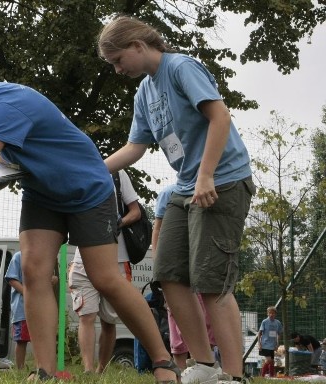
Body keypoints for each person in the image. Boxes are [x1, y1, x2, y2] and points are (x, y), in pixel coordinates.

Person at [0, 42, 178, 383]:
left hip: (87, 190)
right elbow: (2, 162)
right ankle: (47, 371)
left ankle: (164, 362)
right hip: (42, 194)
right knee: (33, 272)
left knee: (104, 278)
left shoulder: (4, 103)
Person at [99, 15, 255, 384]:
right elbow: (135, 147)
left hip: (223, 181)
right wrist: (92, 170)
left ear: (138, 45)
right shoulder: (144, 92)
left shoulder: (181, 67)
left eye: (119, 60)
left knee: (212, 280)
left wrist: (206, 174)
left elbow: (219, 116)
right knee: (168, 273)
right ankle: (202, 363)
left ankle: (232, 375)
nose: (118, 69)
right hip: (186, 188)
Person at [68, 169, 138, 374]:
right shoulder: (77, 173)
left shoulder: (117, 174)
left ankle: (101, 369)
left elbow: (136, 211)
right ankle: (88, 370)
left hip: (117, 258)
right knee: (86, 316)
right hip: (83, 259)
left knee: (109, 320)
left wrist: (118, 223)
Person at [152, 185, 216, 370]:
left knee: (207, 316)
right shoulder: (168, 193)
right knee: (176, 317)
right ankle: (179, 370)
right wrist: (159, 267)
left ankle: (205, 366)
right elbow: (157, 229)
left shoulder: (209, 188)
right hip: (176, 270)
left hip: (201, 266)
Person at [5, 251, 31, 370]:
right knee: (21, 340)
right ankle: (20, 369)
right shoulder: (19, 256)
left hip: (39, 307)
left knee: (41, 338)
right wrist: (27, 294)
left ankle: (42, 367)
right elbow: (11, 279)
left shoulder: (44, 255)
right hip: (22, 308)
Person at [258, 306, 282, 377]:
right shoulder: (264, 321)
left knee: (271, 362)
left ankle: (272, 376)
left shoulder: (278, 323)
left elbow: (279, 333)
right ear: (267, 314)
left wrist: (277, 344)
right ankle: (262, 376)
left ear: (275, 314)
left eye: (273, 313)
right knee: (269, 360)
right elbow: (259, 333)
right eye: (270, 313)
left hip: (273, 345)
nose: (271, 314)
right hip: (265, 345)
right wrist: (259, 344)